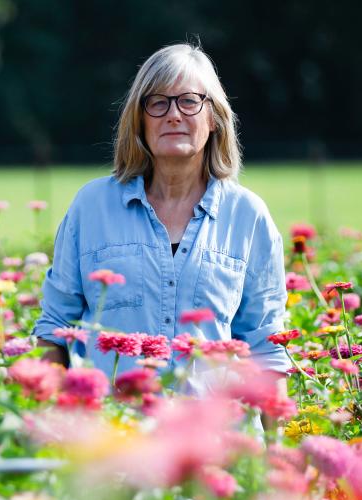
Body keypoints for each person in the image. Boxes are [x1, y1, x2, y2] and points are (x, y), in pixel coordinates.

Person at [33, 43, 291, 385]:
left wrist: (276, 439)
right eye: (157, 102)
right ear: (139, 120)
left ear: (213, 118)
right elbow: (55, 330)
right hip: (112, 431)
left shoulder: (247, 215)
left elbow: (266, 348)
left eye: (188, 101)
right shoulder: (91, 207)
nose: (173, 115)